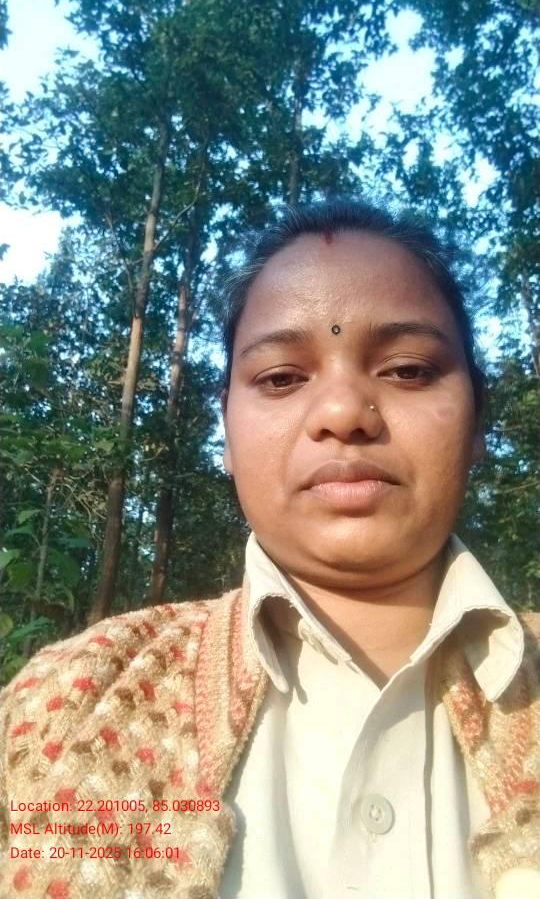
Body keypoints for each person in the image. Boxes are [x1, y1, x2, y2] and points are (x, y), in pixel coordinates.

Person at [1, 198, 539, 899]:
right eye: (282, 377)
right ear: (226, 431)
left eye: (407, 369)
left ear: (477, 421)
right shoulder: (65, 705)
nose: (342, 414)